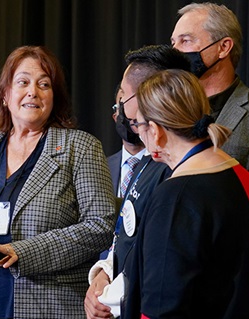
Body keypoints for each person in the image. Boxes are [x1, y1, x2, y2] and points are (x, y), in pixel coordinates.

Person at [0, 45, 116, 319]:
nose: (32, 91)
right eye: (22, 82)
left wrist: (23, 252)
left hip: (50, 305)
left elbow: (100, 226)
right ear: (6, 94)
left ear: (54, 97)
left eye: (43, 84)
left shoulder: (80, 147)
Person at [170, 3, 249, 317]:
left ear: (224, 46)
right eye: (173, 44)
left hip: (233, 301)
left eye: (185, 42)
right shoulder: (167, 120)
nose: (175, 54)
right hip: (174, 295)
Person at [121, 69, 249, 319]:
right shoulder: (244, 178)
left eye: (138, 124)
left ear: (156, 130)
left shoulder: (175, 198)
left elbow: (161, 309)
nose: (138, 133)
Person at [84, 45, 191, 319]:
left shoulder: (179, 174)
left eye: (123, 94)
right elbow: (126, 237)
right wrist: (102, 275)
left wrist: (111, 298)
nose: (119, 107)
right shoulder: (146, 164)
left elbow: (163, 264)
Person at [107, 83, 144, 198]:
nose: (128, 116)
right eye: (121, 106)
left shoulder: (164, 164)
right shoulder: (103, 167)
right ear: (115, 117)